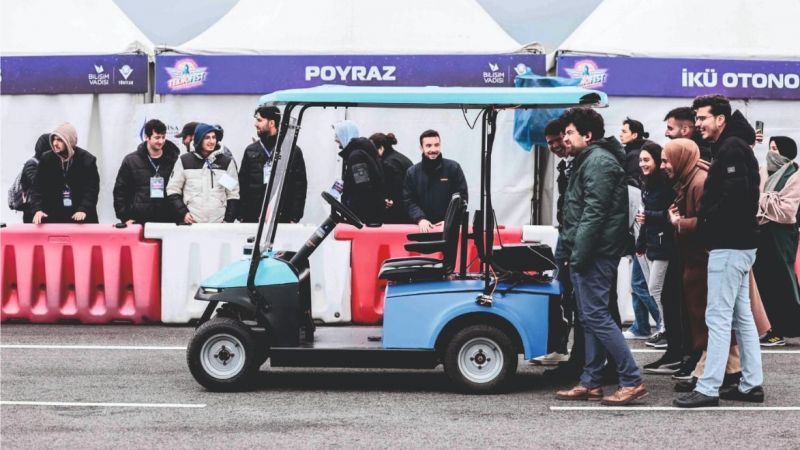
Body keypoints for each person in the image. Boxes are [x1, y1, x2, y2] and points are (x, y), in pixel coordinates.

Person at [554, 107, 647, 406]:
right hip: (588, 252)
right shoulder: (589, 160)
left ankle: (631, 379)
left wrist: (577, 254)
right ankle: (590, 382)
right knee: (588, 317)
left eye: (569, 133)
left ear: (588, 135)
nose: (565, 138)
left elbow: (593, 214)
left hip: (595, 253)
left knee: (596, 316)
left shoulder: (599, 162)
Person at [675, 94, 763, 408]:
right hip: (738, 244)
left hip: (730, 245)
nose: (697, 124)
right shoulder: (734, 146)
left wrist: (707, 226)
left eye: (702, 118)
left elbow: (734, 199)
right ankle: (751, 384)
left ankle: (709, 387)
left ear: (720, 119)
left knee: (718, 317)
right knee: (741, 319)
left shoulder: (731, 148)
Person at [753, 136, 800, 346]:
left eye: (776, 149)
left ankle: (782, 329)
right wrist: (769, 199)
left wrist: (762, 199)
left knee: (782, 281)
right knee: (764, 281)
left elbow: (786, 210)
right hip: (762, 233)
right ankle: (770, 328)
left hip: (782, 236)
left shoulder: (795, 175)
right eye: (770, 148)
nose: (772, 153)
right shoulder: (763, 170)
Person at [634, 142, 675, 357]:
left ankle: (665, 328)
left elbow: (670, 215)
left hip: (663, 244)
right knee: (655, 289)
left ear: (658, 161)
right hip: (651, 243)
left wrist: (649, 216)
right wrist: (640, 243)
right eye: (641, 160)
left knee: (655, 289)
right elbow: (644, 217)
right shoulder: (647, 184)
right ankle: (663, 327)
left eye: (646, 160)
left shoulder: (665, 184)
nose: (642, 164)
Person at [239, 106, 307, 223]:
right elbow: (242, 183)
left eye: (259, 120)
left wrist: (295, 216)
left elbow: (299, 187)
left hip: (282, 217)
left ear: (271, 123)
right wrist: (240, 214)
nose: (255, 124)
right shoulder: (251, 150)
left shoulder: (292, 150)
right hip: (252, 216)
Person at [167, 123, 239, 224]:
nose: (211, 141)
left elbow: (233, 194)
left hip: (219, 224)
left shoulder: (225, 162)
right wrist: (183, 213)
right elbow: (173, 190)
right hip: (192, 224)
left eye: (214, 137)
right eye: (207, 138)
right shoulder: (184, 161)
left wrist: (228, 220)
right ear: (199, 139)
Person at [113, 119, 181, 224]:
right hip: (139, 221)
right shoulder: (131, 160)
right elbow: (120, 191)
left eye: (163, 137)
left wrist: (180, 215)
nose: (161, 141)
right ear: (146, 137)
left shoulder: (174, 160)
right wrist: (125, 217)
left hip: (168, 220)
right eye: (157, 137)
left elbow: (180, 190)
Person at [30, 123, 99, 224]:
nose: (55, 143)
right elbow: (37, 187)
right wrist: (37, 209)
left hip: (80, 218)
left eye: (59, 140)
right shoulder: (46, 158)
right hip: (54, 216)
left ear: (69, 141)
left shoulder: (87, 160)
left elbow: (91, 190)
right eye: (54, 139)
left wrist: (84, 209)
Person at [403, 129, 468, 233]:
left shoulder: (453, 168)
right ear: (421, 148)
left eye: (436, 145)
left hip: (448, 231)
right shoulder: (412, 172)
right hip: (422, 230)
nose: (433, 149)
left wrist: (449, 221)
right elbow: (409, 200)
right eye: (428, 146)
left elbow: (461, 198)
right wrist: (420, 219)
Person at [332, 120, 385, 225]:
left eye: (337, 135)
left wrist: (350, 209)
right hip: (372, 213)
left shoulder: (356, 156)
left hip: (362, 216)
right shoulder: (364, 152)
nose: (335, 139)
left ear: (345, 135)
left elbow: (362, 187)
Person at [370, 132, 412, 224]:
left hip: (399, 214)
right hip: (407, 210)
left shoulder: (388, 163)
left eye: (372, 150)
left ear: (381, 148)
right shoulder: (400, 158)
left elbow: (394, 188)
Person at [18, 134, 50, 223]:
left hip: (41, 208)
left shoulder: (44, 163)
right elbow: (37, 183)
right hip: (31, 210)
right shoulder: (32, 164)